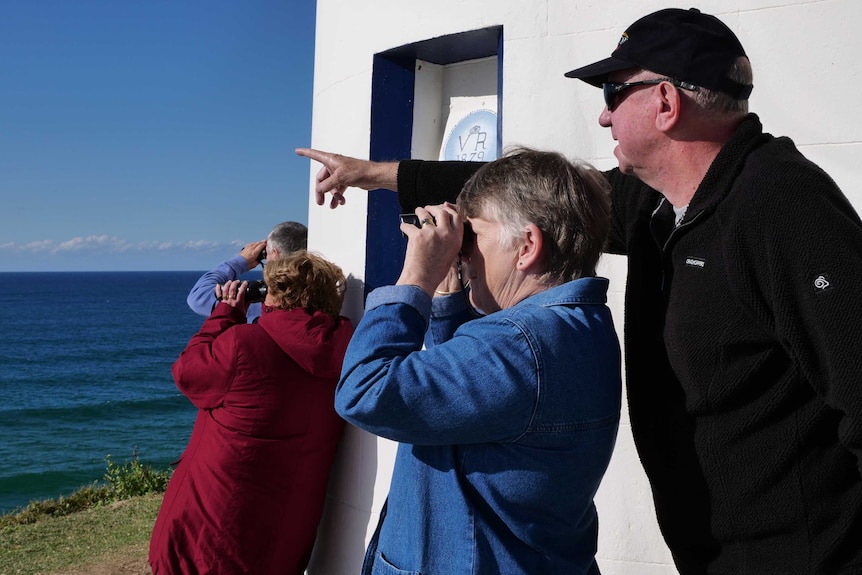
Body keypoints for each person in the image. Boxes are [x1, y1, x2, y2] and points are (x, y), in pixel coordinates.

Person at [296, 8, 862, 573]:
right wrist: (373, 174)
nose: (603, 117)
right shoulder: (657, 203)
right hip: (712, 551)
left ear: (666, 101)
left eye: (615, 93)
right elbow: (527, 198)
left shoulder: (785, 208)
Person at [335, 148, 622, 574]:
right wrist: (450, 300)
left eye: (472, 238)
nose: (463, 254)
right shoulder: (578, 326)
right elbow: (475, 406)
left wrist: (416, 279)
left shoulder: (521, 345)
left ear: (527, 246)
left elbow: (365, 390)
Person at [149, 251, 354, 575]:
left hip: (210, 539)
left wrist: (225, 314)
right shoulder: (347, 355)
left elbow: (187, 372)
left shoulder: (243, 345)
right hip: (283, 540)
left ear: (275, 295)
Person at [186, 221, 308, 323]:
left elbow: (198, 298)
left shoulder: (261, 300)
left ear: (274, 253)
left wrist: (240, 261)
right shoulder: (317, 294)